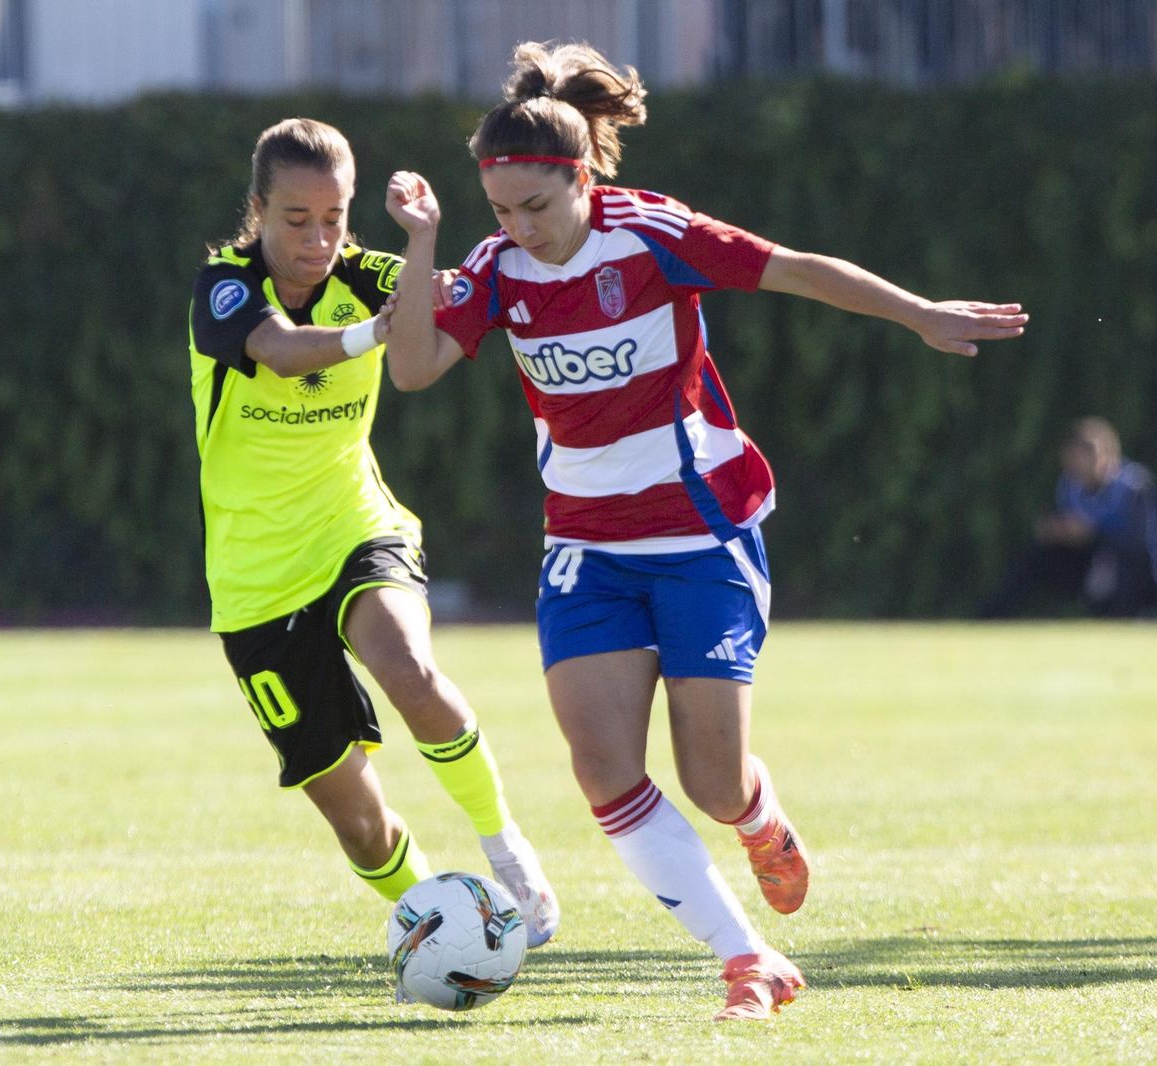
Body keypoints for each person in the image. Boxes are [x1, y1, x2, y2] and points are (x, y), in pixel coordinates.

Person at [379, 43, 1027, 1020]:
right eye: (500, 211)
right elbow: (414, 366)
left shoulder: (649, 236)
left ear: (582, 177)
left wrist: (917, 313)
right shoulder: (495, 268)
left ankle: (757, 819)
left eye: (536, 209)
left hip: (700, 533)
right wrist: (424, 241)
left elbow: (795, 269)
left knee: (713, 779)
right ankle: (747, 960)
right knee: (601, 766)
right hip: (586, 548)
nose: (519, 229)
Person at [186, 117, 558, 944]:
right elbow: (281, 352)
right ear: (258, 209)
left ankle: (509, 855)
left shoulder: (372, 272)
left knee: (411, 670)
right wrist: (378, 330)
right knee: (357, 819)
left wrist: (424, 238)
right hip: (254, 583)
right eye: (296, 219)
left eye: (335, 217)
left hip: (355, 528)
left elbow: (474, 296)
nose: (319, 240)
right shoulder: (225, 284)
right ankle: (441, 923)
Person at [983, 416, 1157, 618]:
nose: (1076, 464)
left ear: (1107, 455)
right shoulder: (1069, 486)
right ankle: (990, 618)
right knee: (1038, 554)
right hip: (1091, 564)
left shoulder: (1136, 487)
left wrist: (1093, 534)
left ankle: (1122, 621)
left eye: (1085, 455)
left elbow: (1140, 544)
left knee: (1121, 562)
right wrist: (1056, 530)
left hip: (1144, 574)